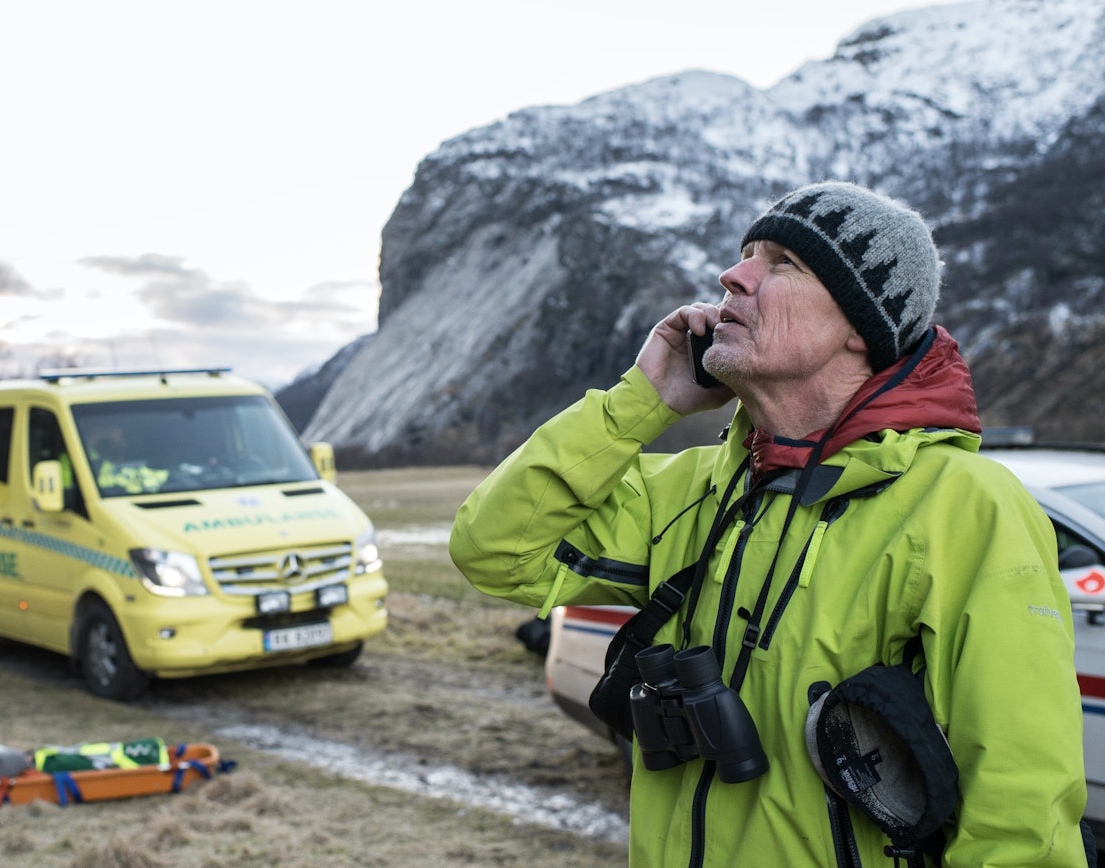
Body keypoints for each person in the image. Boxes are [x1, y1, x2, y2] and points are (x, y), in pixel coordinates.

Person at [449, 181, 1089, 865]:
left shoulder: (965, 507)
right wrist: (642, 403)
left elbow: (1021, 811)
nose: (733, 276)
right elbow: (494, 549)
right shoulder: (691, 493)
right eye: (745, 254)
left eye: (782, 262)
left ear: (858, 325)